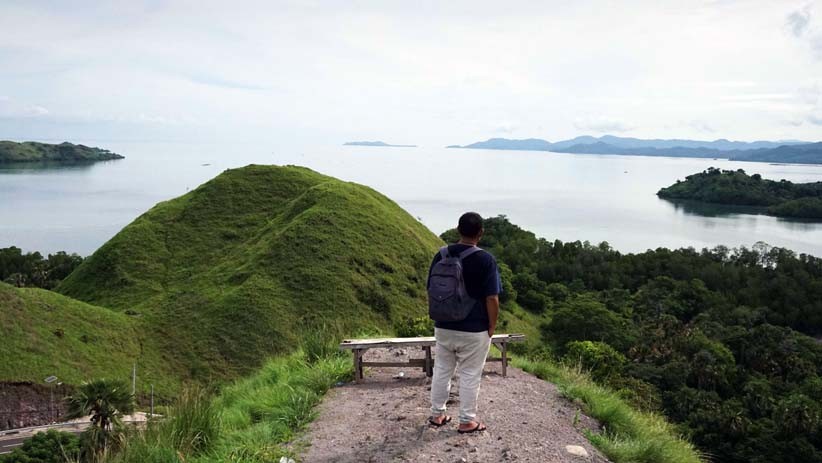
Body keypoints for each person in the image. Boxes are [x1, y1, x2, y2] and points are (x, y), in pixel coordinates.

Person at [427, 212, 500, 433]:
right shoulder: (485, 259)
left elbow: (430, 288)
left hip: (443, 325)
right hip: (474, 328)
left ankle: (437, 415)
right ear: (481, 233)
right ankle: (467, 420)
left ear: (458, 229)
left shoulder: (441, 254)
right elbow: (492, 298)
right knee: (470, 373)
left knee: (441, 369)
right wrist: (492, 326)